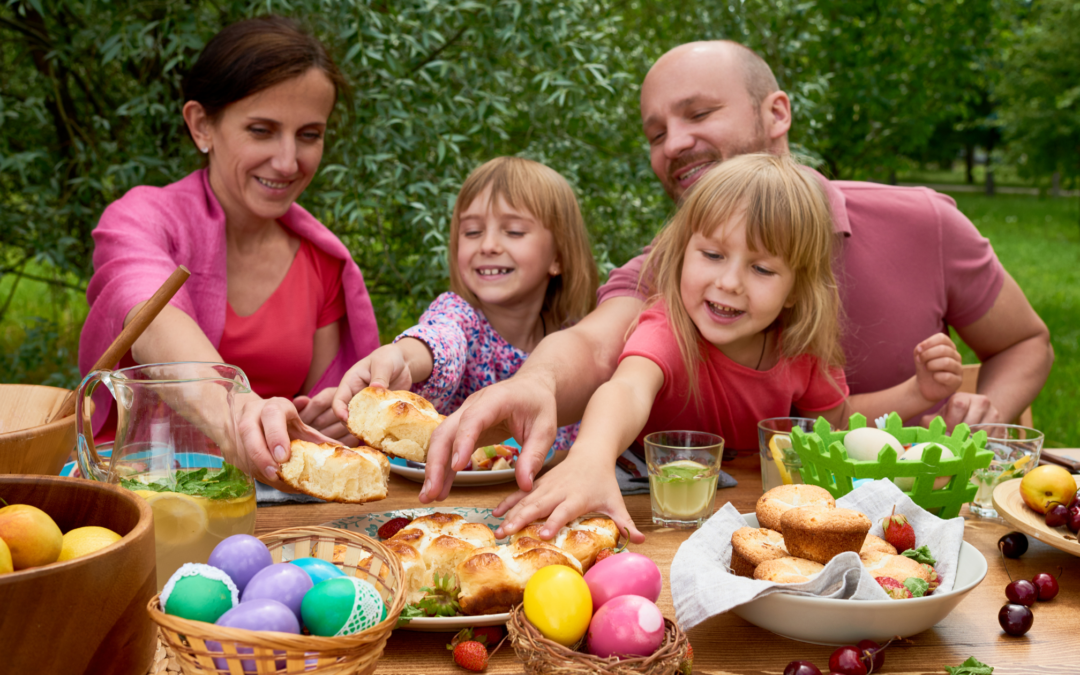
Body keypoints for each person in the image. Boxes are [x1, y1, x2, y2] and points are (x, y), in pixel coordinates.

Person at [420, 41, 1054, 535]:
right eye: (655, 133)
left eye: (697, 113)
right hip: (701, 523)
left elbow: (1017, 346)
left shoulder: (919, 225)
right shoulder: (666, 281)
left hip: (920, 521)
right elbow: (602, 357)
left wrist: (967, 409)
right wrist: (540, 389)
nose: (674, 143)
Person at [495, 153, 966, 540]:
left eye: (761, 269)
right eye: (713, 255)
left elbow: (838, 423)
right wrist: (590, 458)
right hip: (647, 515)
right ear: (682, 254)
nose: (729, 282)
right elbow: (627, 389)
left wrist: (918, 393)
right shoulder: (668, 327)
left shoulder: (800, 351)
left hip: (747, 523)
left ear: (797, 289)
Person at [79, 16, 380, 489]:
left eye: (309, 134)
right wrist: (239, 411)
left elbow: (323, 431)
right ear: (202, 126)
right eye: (261, 130)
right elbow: (153, 320)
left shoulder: (324, 263)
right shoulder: (138, 220)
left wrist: (326, 421)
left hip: (268, 510)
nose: (287, 161)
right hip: (140, 499)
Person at [326, 157, 598, 454]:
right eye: (472, 232)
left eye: (514, 231)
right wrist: (402, 358)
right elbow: (440, 339)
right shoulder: (459, 315)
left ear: (558, 256)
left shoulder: (575, 339)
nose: (488, 245)